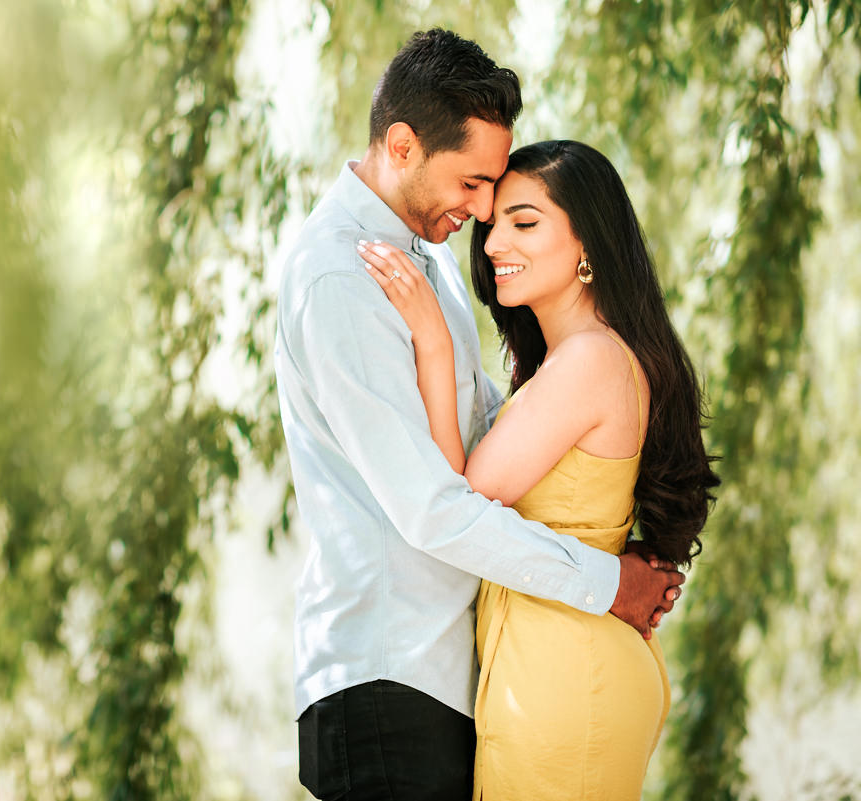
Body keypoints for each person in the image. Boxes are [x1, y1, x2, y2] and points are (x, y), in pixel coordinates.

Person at [274, 29, 687, 800]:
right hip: (385, 673)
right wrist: (607, 581)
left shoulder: (426, 268)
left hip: (452, 678)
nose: (482, 209)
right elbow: (434, 507)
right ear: (402, 145)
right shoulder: (340, 278)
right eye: (471, 183)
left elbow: (493, 437)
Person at [356, 139, 719, 799]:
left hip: (565, 678)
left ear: (589, 247)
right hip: (557, 663)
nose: (493, 243)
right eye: (493, 224)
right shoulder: (575, 364)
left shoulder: (589, 360)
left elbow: (457, 500)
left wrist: (434, 342)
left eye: (524, 222)